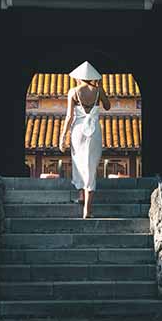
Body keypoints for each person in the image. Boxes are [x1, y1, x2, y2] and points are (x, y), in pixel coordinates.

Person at [59, 61, 111, 218]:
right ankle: (87, 208)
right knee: (91, 166)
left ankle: (81, 194)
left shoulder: (73, 91)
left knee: (78, 163)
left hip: (78, 131)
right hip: (94, 131)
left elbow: (69, 116)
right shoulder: (98, 91)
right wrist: (100, 88)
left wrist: (63, 136)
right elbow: (108, 107)